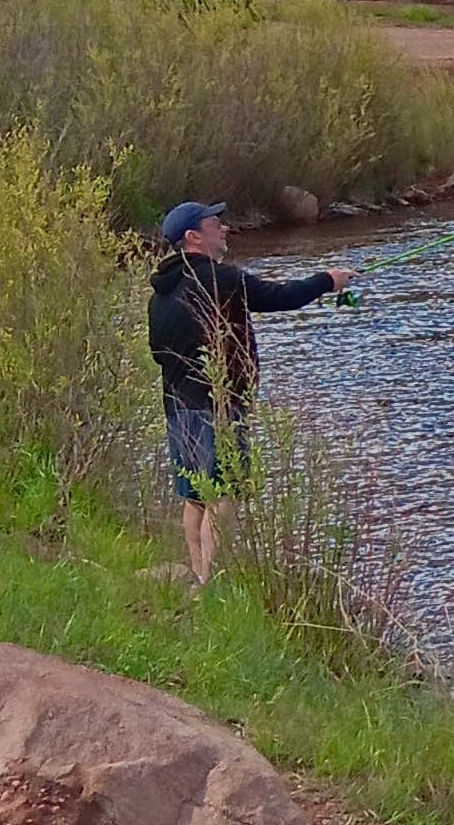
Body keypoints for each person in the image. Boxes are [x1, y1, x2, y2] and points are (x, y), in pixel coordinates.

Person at [146, 201, 348, 584]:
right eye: (215, 224)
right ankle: (211, 581)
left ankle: (196, 574)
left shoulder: (159, 296)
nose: (224, 229)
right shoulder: (220, 279)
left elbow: (158, 353)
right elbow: (279, 296)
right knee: (223, 494)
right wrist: (327, 280)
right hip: (218, 407)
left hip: (177, 409)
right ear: (193, 236)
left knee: (195, 495)